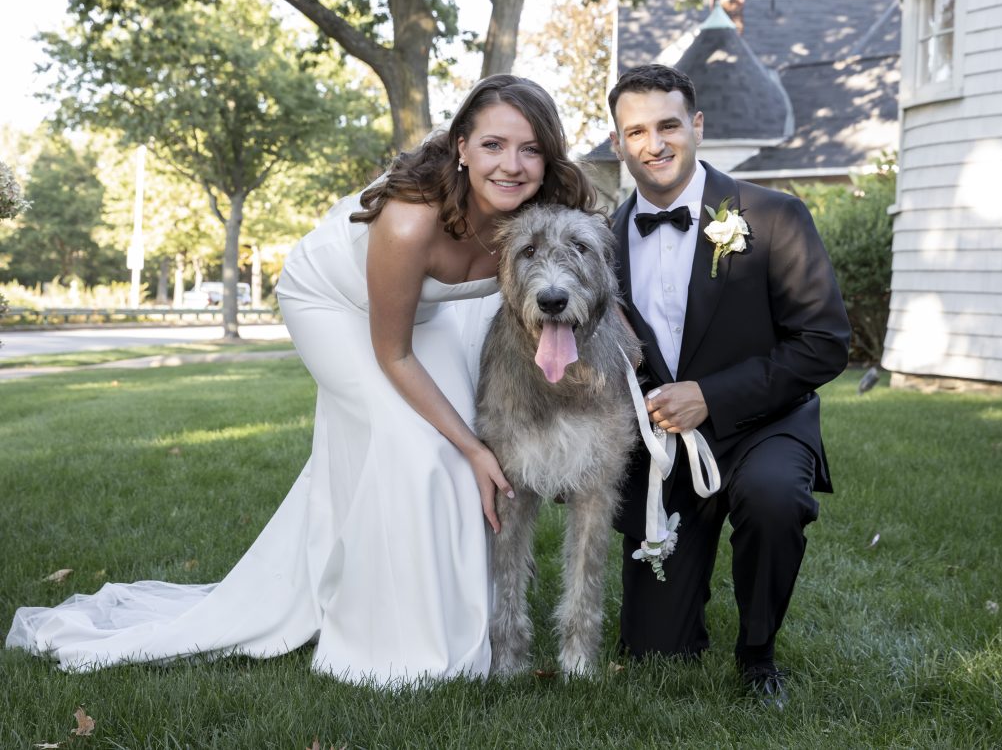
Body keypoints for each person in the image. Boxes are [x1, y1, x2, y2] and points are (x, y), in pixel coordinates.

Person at [6, 74, 597, 686]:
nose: (512, 164)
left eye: (530, 149)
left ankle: (459, 621)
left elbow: (590, 280)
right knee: (425, 448)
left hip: (426, 309)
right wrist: (471, 448)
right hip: (332, 301)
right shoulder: (409, 221)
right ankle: (393, 641)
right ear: (461, 148)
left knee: (461, 445)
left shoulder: (539, 214)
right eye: (494, 145)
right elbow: (392, 355)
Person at [607, 64, 850, 708]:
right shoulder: (601, 240)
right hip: (667, 452)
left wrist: (711, 395)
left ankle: (757, 653)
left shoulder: (772, 216)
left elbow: (825, 343)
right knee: (655, 649)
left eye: (668, 125)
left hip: (762, 425)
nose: (654, 144)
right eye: (636, 131)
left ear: (697, 126)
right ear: (617, 143)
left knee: (773, 499)